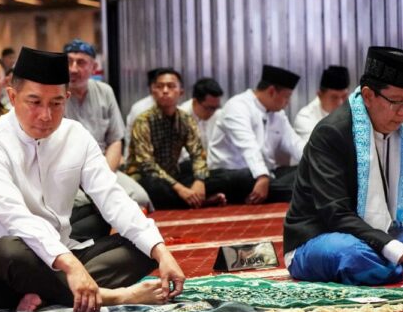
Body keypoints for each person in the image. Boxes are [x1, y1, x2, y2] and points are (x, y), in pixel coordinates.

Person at [0, 47, 186, 312]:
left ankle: (52, 295)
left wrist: (161, 252)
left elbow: (112, 197)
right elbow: (16, 218)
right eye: (34, 102)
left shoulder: (76, 135)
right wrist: (71, 266)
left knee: (140, 246)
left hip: (61, 253)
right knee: (8, 249)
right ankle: (110, 296)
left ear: (66, 98)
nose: (45, 115)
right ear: (12, 96)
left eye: (56, 103)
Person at [285, 46, 403, 286]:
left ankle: (395, 266)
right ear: (369, 96)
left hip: (389, 230)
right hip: (323, 236)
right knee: (349, 254)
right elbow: (336, 214)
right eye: (396, 102)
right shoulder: (332, 132)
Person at [63, 38, 152, 210]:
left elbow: (115, 141)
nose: (73, 69)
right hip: (68, 173)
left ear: (93, 67)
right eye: (68, 62)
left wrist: (104, 176)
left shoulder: (105, 91)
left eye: (80, 63)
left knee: (140, 198)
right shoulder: (54, 94)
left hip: (103, 168)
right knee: (84, 205)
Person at [126, 68, 225, 209]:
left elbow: (197, 154)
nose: (165, 91)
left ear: (181, 92)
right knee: (154, 188)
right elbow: (147, 165)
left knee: (221, 176)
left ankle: (192, 196)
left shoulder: (185, 119)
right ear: (153, 91)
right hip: (145, 178)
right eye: (160, 86)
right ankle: (201, 201)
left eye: (171, 86)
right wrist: (180, 188)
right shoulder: (143, 121)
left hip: (172, 174)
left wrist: (199, 180)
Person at [207, 65, 304, 204]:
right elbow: (248, 146)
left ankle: (295, 191)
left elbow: (295, 143)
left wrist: (320, 164)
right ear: (271, 91)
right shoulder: (237, 106)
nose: (287, 103)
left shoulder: (278, 114)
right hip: (232, 174)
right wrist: (262, 175)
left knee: (306, 169)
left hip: (266, 175)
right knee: (247, 176)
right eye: (287, 97)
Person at [293, 66, 351, 141]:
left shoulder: (354, 111)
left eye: (344, 96)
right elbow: (316, 150)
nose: (340, 103)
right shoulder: (305, 117)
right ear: (320, 95)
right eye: (334, 97)